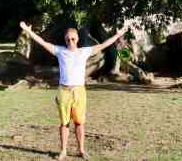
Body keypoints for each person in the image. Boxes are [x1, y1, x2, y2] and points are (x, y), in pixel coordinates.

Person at [19, 21, 128, 160]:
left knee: (79, 123)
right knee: (64, 123)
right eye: (68, 39)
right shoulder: (60, 51)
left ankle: (81, 150)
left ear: (77, 39)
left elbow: (104, 45)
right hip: (64, 91)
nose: (70, 41)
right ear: (65, 40)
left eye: (73, 39)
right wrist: (29, 32)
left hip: (79, 92)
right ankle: (63, 151)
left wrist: (118, 35)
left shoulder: (84, 52)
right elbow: (42, 42)